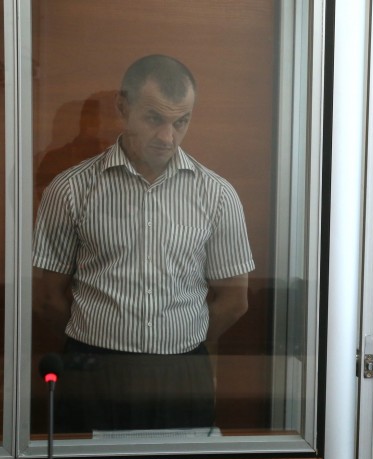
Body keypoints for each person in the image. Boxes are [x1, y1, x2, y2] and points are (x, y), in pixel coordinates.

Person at [32, 54, 255, 432]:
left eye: (180, 122)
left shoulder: (217, 196)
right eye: (154, 119)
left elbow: (235, 300)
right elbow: (47, 298)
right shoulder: (71, 189)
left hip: (182, 372)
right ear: (123, 107)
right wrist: (99, 338)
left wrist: (180, 340)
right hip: (92, 369)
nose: (168, 137)